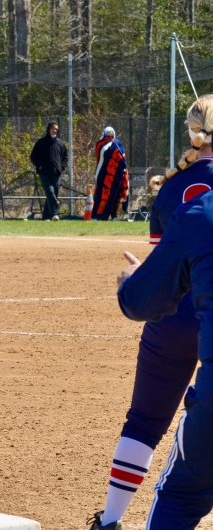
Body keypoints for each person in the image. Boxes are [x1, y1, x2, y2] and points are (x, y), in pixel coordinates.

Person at [87, 95, 213, 530]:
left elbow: (163, 272)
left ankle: (111, 520)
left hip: (174, 314)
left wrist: (134, 279)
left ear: (192, 132)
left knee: (144, 421)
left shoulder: (174, 184)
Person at [113, 189, 213, 529]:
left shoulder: (198, 209)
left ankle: (110, 518)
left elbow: (141, 300)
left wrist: (131, 280)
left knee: (181, 496)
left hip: (175, 327)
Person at [30, 121, 68, 221]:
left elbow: (65, 157)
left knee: (53, 194)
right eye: (52, 128)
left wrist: (62, 167)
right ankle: (55, 213)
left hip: (56, 173)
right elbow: (33, 156)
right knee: (50, 192)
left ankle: (46, 217)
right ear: (48, 129)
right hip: (44, 173)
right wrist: (40, 166)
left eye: (56, 129)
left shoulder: (60, 143)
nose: (54, 130)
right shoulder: (41, 142)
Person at [92, 126, 130, 220]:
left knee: (116, 195)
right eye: (108, 134)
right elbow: (101, 160)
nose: (110, 136)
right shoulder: (101, 144)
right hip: (105, 175)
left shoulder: (118, 143)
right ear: (104, 134)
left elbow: (123, 159)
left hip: (117, 175)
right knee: (103, 195)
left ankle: (114, 215)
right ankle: (100, 215)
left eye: (111, 134)